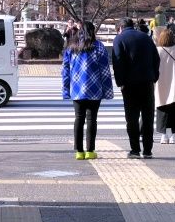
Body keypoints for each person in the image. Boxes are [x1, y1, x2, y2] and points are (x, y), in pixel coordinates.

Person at [61, 20, 113, 160]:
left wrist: (66, 89)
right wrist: (107, 91)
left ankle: (79, 151)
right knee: (92, 119)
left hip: (76, 89)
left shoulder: (72, 47)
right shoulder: (99, 47)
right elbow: (105, 71)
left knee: (79, 118)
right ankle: (90, 151)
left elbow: (65, 70)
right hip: (95, 89)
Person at [111, 17, 160, 158]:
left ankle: (135, 150)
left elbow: (118, 62)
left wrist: (120, 82)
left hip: (129, 84)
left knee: (132, 118)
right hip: (147, 82)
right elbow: (156, 59)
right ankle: (148, 150)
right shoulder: (145, 37)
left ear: (120, 28)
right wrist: (154, 76)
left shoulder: (119, 39)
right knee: (147, 117)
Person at [154, 27, 175, 145]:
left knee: (162, 108)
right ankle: (173, 136)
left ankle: (163, 136)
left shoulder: (158, 51)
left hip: (161, 82)